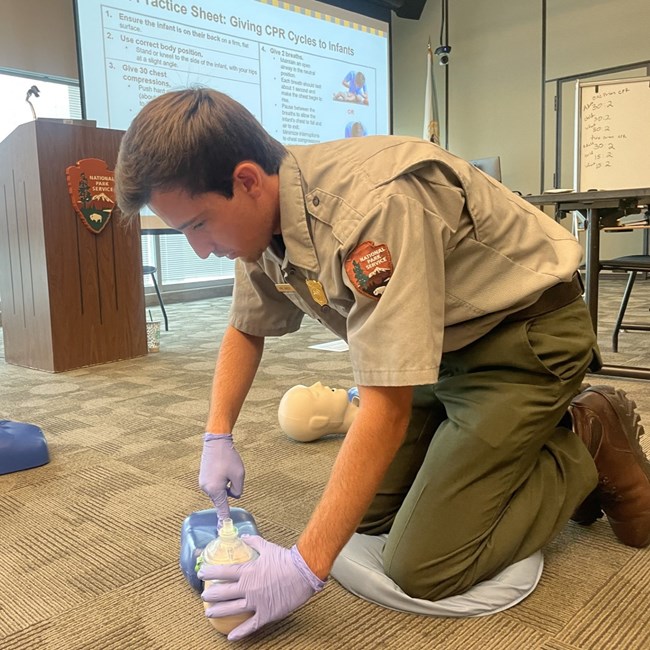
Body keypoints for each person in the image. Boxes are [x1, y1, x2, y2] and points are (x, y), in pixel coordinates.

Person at [115, 88, 650, 641]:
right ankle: (482, 444)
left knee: (425, 567)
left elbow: (386, 409)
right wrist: (216, 434)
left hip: (522, 341)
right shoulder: (261, 223)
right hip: (439, 351)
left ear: (247, 180)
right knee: (368, 518)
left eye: (197, 225)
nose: (199, 249)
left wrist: (304, 567)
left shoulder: (369, 208)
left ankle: (585, 432)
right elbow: (246, 327)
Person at [278, 382, 359, 442]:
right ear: (320, 421)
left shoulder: (354, 395)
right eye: (316, 394)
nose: (318, 384)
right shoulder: (369, 421)